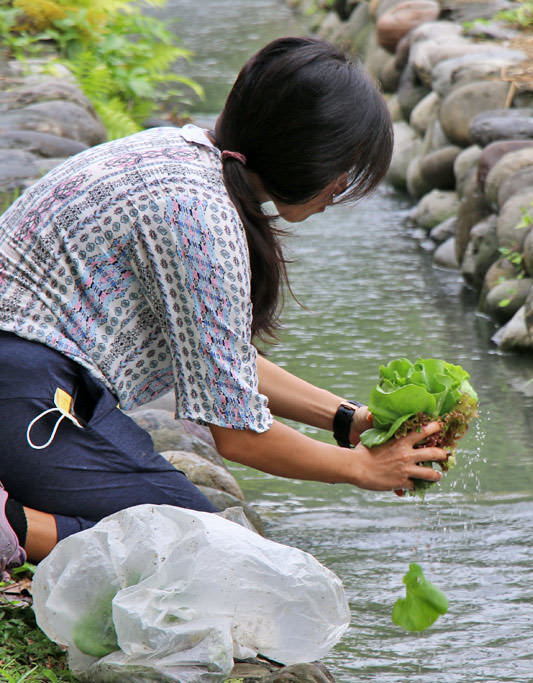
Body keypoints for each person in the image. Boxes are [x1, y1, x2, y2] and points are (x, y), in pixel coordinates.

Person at [0, 36, 448, 570]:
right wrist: (361, 468)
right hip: (24, 386)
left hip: (39, 380)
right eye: (344, 167)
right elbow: (238, 437)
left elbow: (222, 360)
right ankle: (10, 527)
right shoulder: (201, 220)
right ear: (304, 151)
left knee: (186, 532)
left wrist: (348, 420)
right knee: (198, 546)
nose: (342, 187)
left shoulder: (184, 154)